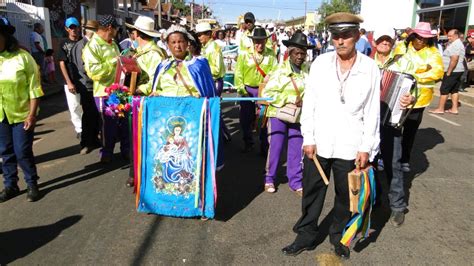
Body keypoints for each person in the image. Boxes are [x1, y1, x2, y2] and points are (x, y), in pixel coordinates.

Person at [282, 12, 380, 259]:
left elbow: (372, 111)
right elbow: (310, 103)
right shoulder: (320, 64)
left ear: (358, 36)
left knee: (345, 196)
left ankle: (339, 238)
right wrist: (309, 137)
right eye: (336, 36)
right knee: (312, 191)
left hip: (351, 143)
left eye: (346, 35)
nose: (340, 41)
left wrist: (367, 146)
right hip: (320, 142)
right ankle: (305, 235)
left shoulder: (369, 67)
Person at [372, 28, 415, 227]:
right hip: (369, 120)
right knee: (368, 162)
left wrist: (410, 97)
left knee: (393, 164)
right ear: (374, 42)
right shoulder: (365, 63)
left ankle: (397, 205)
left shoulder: (403, 62)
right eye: (381, 40)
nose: (385, 43)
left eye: (388, 40)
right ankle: (373, 199)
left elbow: (414, 89)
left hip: (391, 119)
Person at [261, 32, 312, 195]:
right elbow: (268, 93)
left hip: (298, 115)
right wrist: (290, 98)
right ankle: (269, 178)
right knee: (276, 146)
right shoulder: (279, 70)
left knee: (297, 147)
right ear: (289, 52)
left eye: (303, 53)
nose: (300, 56)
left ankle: (295, 181)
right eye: (296, 52)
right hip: (278, 113)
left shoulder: (308, 70)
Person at [0, 16, 44, 202]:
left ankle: (32, 183)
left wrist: (32, 115)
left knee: (22, 151)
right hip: (1, 115)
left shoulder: (23, 58)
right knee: (5, 151)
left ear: (5, 37)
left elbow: (34, 88)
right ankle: (11, 185)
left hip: (22, 114)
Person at [391, 22, 443, 172]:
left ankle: (404, 159)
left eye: (425, 38)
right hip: (399, 95)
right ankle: (389, 157)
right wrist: (422, 69)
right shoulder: (402, 47)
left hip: (419, 100)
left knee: (410, 131)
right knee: (393, 128)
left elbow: (437, 72)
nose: (421, 41)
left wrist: (414, 76)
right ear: (413, 36)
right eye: (419, 37)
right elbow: (395, 66)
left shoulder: (433, 52)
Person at [83, 15, 127, 163]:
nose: (116, 33)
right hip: (103, 93)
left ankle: (125, 151)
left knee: (122, 123)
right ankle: (106, 153)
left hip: (119, 90)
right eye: (115, 29)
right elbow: (94, 72)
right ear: (109, 28)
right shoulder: (92, 46)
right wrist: (113, 62)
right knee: (108, 125)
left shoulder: (113, 43)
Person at [234, 27, 278, 153]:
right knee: (245, 119)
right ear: (253, 42)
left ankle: (264, 145)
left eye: (262, 41)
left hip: (264, 90)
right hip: (247, 90)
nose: (259, 44)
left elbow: (275, 72)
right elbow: (238, 73)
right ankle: (248, 142)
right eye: (257, 41)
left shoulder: (271, 54)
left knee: (264, 119)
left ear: (266, 41)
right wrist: (242, 90)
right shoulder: (244, 54)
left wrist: (269, 79)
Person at [151, 25, 216, 98]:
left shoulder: (199, 64)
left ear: (187, 43)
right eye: (173, 42)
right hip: (165, 107)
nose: (177, 46)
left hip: (192, 107)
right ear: (168, 45)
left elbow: (208, 92)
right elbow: (156, 89)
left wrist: (198, 96)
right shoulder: (163, 66)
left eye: (180, 42)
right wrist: (156, 93)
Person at [70, 20, 101, 155]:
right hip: (86, 84)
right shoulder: (81, 45)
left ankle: (94, 139)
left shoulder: (92, 44)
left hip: (93, 84)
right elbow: (82, 68)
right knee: (88, 114)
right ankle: (86, 142)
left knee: (95, 113)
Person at [125, 15, 167, 96]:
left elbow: (157, 80)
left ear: (136, 33)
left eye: (133, 31)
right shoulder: (140, 51)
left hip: (146, 99)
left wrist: (137, 90)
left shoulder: (153, 54)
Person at [429, 29, 465, 115]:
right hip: (457, 70)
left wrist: (449, 72)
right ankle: (454, 109)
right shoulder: (457, 43)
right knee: (454, 90)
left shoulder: (456, 44)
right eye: (448, 36)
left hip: (453, 71)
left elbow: (454, 59)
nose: (448, 38)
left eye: (450, 36)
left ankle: (440, 109)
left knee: (444, 90)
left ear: (456, 36)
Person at [58, 17, 83, 141]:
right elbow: (62, 63)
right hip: (71, 80)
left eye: (75, 27)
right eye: (71, 28)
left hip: (84, 80)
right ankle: (79, 129)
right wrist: (68, 82)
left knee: (86, 106)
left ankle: (89, 128)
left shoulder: (83, 42)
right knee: (74, 106)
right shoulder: (64, 43)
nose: (74, 30)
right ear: (67, 29)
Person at [196, 22, 226, 96]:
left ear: (208, 34)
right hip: (208, 81)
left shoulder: (213, 48)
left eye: (200, 35)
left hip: (214, 82)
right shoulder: (204, 47)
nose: (199, 37)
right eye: (198, 35)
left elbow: (217, 70)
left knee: (212, 106)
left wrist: (200, 70)